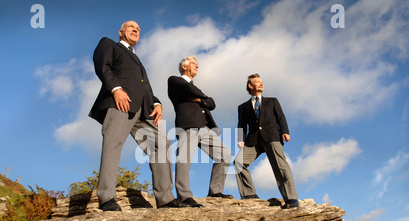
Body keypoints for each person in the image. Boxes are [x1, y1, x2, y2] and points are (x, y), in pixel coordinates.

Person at [89, 21, 188, 211]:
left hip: (144, 110)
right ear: (120, 32)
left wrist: (157, 102)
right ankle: (107, 198)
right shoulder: (109, 44)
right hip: (121, 103)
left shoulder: (137, 59)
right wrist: (115, 89)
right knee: (113, 144)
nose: (136, 30)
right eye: (131, 27)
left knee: (162, 143)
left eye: (139, 29)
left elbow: (145, 86)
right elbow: (102, 66)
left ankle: (165, 198)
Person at [168, 56, 233, 207]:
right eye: (193, 64)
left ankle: (215, 192)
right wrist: (202, 98)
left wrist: (198, 99)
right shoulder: (175, 80)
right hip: (188, 124)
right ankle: (184, 196)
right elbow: (189, 90)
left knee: (225, 155)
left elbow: (212, 103)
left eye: (197, 64)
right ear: (184, 67)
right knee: (184, 159)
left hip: (205, 127)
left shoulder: (194, 89)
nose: (197, 66)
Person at [234, 74, 299, 209]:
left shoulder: (272, 101)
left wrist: (285, 131)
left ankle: (291, 199)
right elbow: (241, 124)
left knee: (281, 168)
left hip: (272, 137)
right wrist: (241, 139)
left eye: (262, 82)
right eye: (258, 82)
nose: (261, 84)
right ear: (250, 86)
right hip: (253, 141)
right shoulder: (243, 107)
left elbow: (281, 117)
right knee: (238, 162)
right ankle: (249, 194)